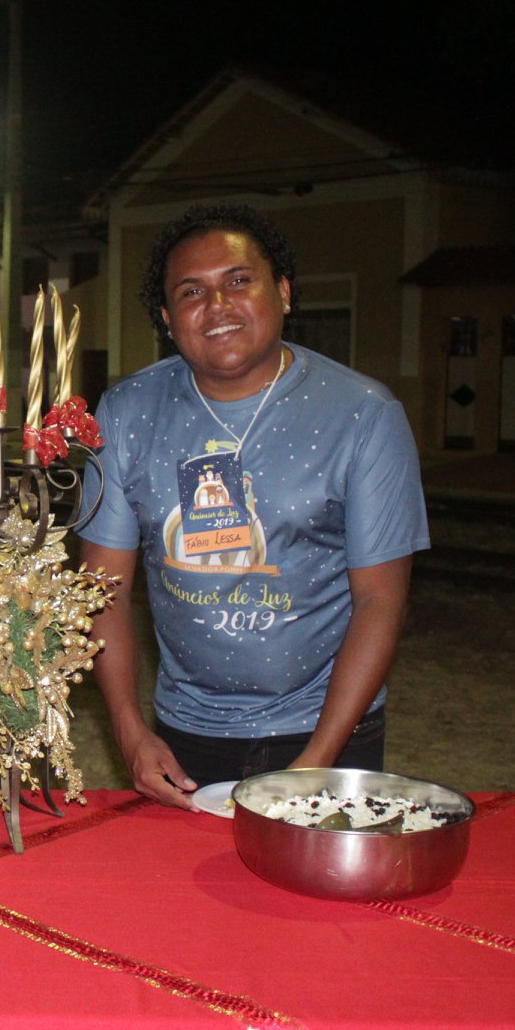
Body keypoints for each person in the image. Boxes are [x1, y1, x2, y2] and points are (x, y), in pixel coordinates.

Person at [77, 204, 429, 808]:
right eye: (191, 292)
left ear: (284, 292)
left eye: (239, 280)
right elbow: (100, 589)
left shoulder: (363, 415)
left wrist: (316, 762)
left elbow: (380, 599)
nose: (217, 305)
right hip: (184, 734)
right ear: (167, 319)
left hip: (330, 730)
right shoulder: (126, 413)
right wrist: (130, 733)